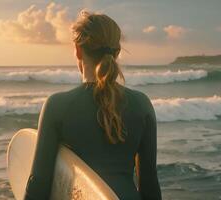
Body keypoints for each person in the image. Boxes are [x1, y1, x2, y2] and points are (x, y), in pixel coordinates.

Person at [24, 10, 162, 200]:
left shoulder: (57, 106)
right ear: (117, 52)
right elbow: (150, 185)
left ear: (78, 50)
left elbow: (38, 184)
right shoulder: (142, 104)